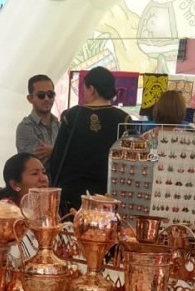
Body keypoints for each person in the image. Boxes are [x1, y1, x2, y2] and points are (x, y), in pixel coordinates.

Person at [50, 66, 131, 216]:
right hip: (108, 197)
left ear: (92, 89)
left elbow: (57, 159)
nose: (84, 93)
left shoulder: (72, 116)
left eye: (85, 89)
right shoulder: (124, 120)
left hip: (73, 195)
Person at [15, 74, 60, 168]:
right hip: (38, 182)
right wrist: (60, 152)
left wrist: (52, 152)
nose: (47, 99)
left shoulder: (60, 125)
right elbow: (35, 164)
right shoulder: (25, 127)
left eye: (50, 94)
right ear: (30, 99)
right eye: (41, 95)